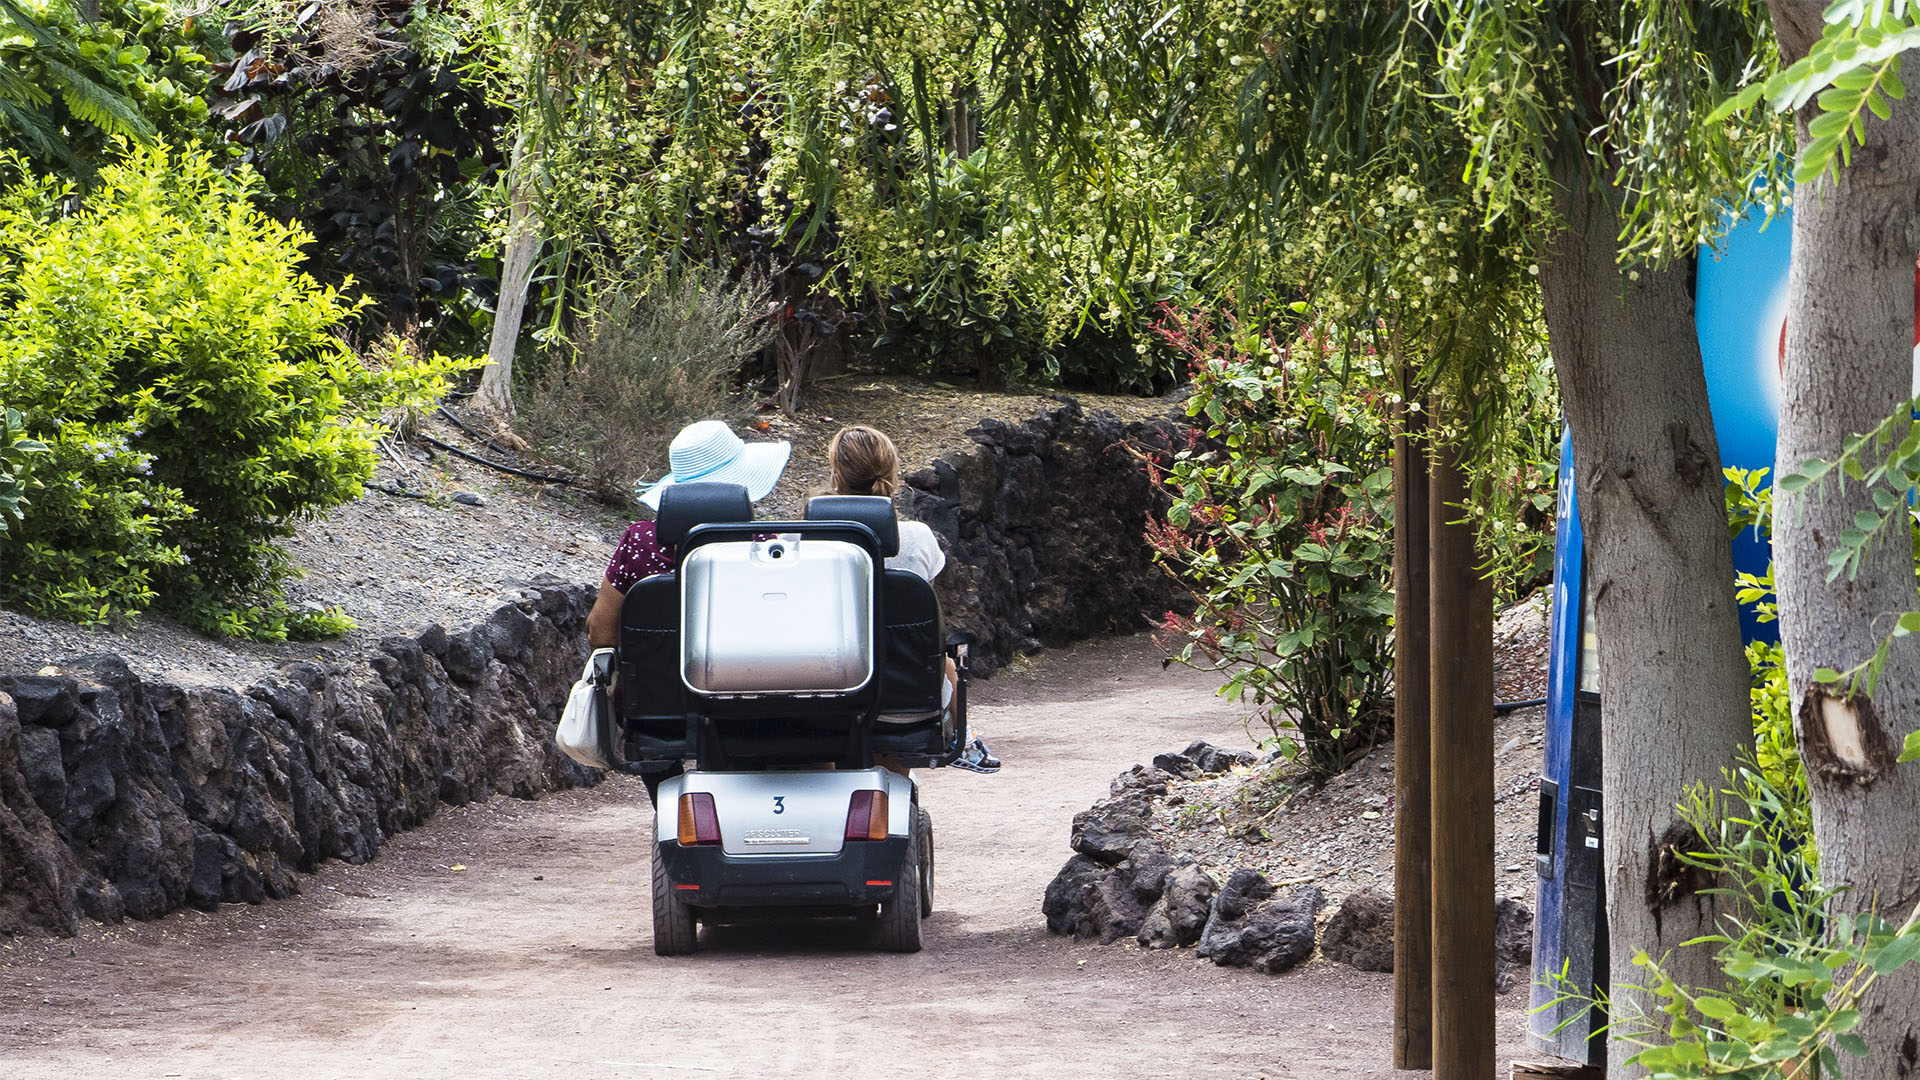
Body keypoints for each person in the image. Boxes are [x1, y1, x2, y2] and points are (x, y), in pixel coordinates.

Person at [585, 420, 791, 799]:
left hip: (654, 708)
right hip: (751, 701)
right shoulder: (763, 544)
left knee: (647, 711)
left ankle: (670, 813)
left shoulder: (640, 542)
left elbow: (600, 631)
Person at [827, 425, 998, 773]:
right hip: (911, 700)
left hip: (830, 702)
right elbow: (923, 621)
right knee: (940, 653)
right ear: (891, 475)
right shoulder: (918, 539)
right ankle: (962, 740)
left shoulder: (813, 545)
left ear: (835, 478)